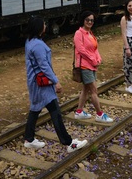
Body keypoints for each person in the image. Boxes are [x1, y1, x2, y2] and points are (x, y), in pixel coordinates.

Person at [23, 17, 88, 153]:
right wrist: (56, 81)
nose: (45, 26)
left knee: (35, 110)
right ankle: (69, 143)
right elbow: (44, 66)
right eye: (44, 24)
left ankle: (29, 139)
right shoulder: (38, 45)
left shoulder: (29, 42)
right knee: (55, 112)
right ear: (39, 28)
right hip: (42, 84)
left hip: (34, 82)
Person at [73, 11, 114, 123]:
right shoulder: (79, 33)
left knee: (86, 89)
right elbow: (81, 50)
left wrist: (98, 58)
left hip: (92, 65)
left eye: (92, 20)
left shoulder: (90, 33)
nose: (90, 22)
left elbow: (94, 48)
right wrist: (93, 60)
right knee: (94, 90)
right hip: (84, 66)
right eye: (87, 20)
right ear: (83, 20)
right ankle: (99, 114)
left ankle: (79, 111)